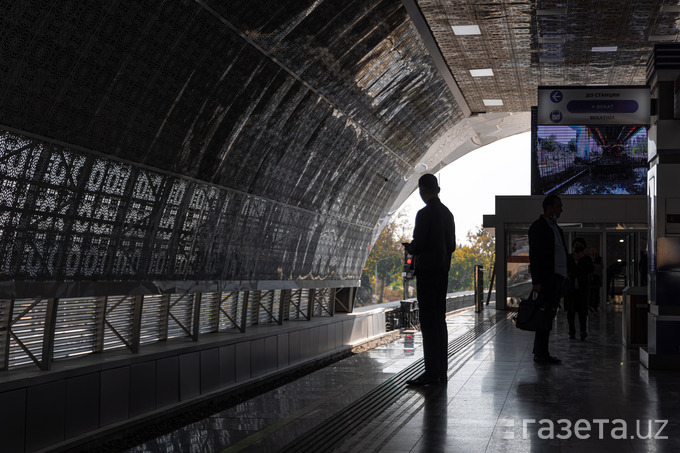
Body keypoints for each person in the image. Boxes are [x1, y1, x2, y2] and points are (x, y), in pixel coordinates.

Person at [405, 174, 456, 386]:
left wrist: (411, 247)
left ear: (422, 190)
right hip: (442, 273)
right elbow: (452, 246)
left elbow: (419, 243)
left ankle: (430, 372)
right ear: (438, 189)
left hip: (427, 273)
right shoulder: (447, 214)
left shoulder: (424, 214)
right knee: (439, 320)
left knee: (427, 322)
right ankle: (441, 371)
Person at [528, 194, 567, 364]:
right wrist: (536, 281)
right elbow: (534, 256)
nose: (561, 209)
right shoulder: (538, 227)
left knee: (549, 315)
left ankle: (542, 351)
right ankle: (540, 353)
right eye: (558, 206)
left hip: (557, 278)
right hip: (547, 279)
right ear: (549, 208)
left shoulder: (556, 228)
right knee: (544, 316)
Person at [565, 238, 594, 340]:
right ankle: (571, 331)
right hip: (571, 289)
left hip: (582, 289)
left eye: (580, 245)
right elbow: (564, 269)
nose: (578, 247)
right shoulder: (569, 258)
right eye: (576, 245)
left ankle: (583, 331)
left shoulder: (586, 259)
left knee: (582, 312)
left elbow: (591, 269)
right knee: (570, 312)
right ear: (573, 246)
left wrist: (583, 259)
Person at [588, 247, 603, 312]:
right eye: (591, 251)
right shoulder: (587, 259)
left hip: (596, 278)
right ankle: (590, 305)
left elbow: (601, 267)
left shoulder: (599, 259)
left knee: (596, 293)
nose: (593, 252)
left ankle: (595, 306)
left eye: (594, 251)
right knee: (590, 292)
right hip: (590, 278)